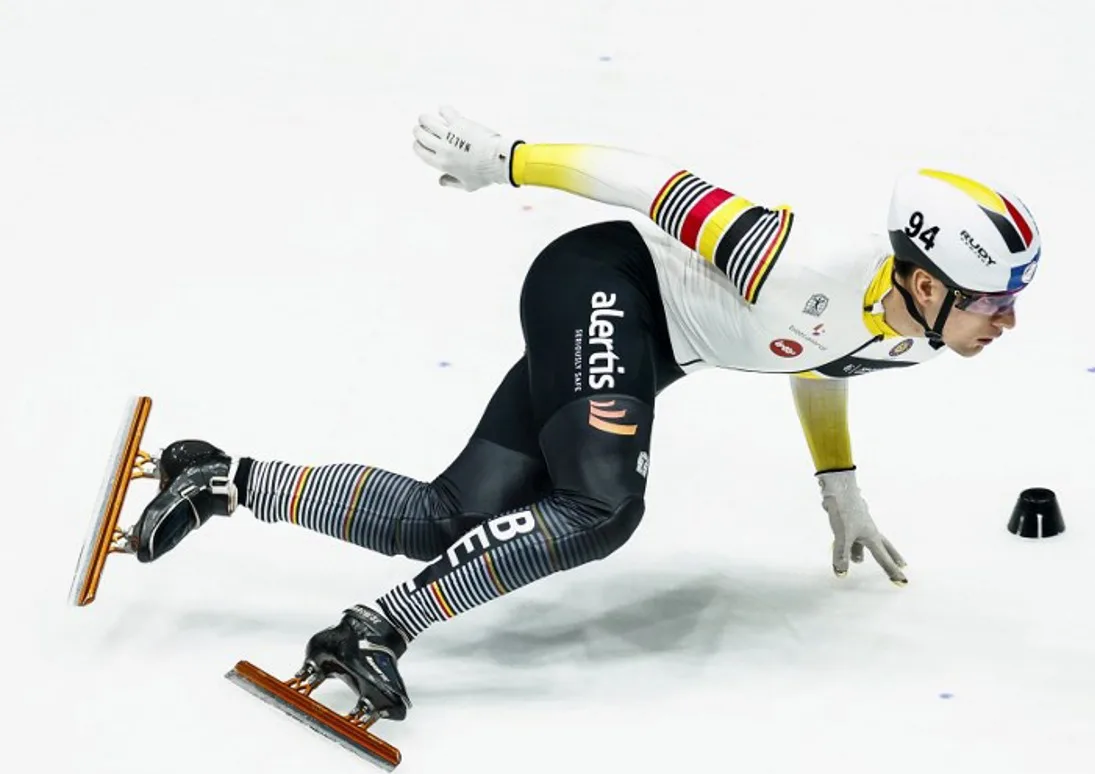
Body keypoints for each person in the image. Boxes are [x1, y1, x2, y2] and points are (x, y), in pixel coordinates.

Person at [127, 106, 1042, 721]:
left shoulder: (920, 331)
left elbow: (816, 357)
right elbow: (651, 184)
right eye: (993, 301)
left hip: (644, 346)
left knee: (451, 519)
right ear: (926, 280)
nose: (1005, 323)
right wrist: (507, 162)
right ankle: (376, 628)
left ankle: (219, 478)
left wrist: (838, 486)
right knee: (603, 507)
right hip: (604, 285)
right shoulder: (792, 261)